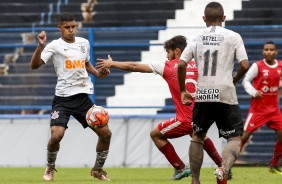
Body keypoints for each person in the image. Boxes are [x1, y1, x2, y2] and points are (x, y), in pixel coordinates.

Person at [96, 35, 227, 180]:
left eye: (168, 52)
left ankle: (180, 168)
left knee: (155, 134)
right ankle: (223, 166)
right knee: (199, 135)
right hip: (203, 116)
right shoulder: (198, 65)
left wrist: (112, 63)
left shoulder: (168, 66)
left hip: (185, 119)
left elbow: (134, 66)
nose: (167, 55)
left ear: (176, 51)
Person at [29, 12, 112, 181]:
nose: (71, 30)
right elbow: (34, 65)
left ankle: (98, 169)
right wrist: (40, 47)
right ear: (60, 28)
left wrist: (98, 73)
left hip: (83, 99)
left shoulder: (84, 43)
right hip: (63, 99)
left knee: (106, 134)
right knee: (56, 135)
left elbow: (86, 63)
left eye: (73, 26)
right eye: (67, 27)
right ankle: (50, 167)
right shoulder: (54, 46)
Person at [177, 2, 249, 184]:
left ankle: (195, 180)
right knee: (234, 136)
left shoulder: (196, 38)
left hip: (203, 92)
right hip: (225, 92)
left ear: (204, 19)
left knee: (198, 136)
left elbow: (181, 64)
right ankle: (223, 170)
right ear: (223, 18)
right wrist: (234, 79)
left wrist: (183, 90)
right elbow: (244, 65)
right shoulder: (234, 36)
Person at [241, 41, 282, 174]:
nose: (269, 52)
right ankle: (226, 166)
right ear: (263, 52)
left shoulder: (280, 66)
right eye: (266, 50)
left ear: (276, 52)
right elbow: (245, 81)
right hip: (258, 109)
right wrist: (254, 92)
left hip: (274, 109)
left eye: (271, 50)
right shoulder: (257, 66)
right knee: (244, 137)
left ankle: (274, 165)